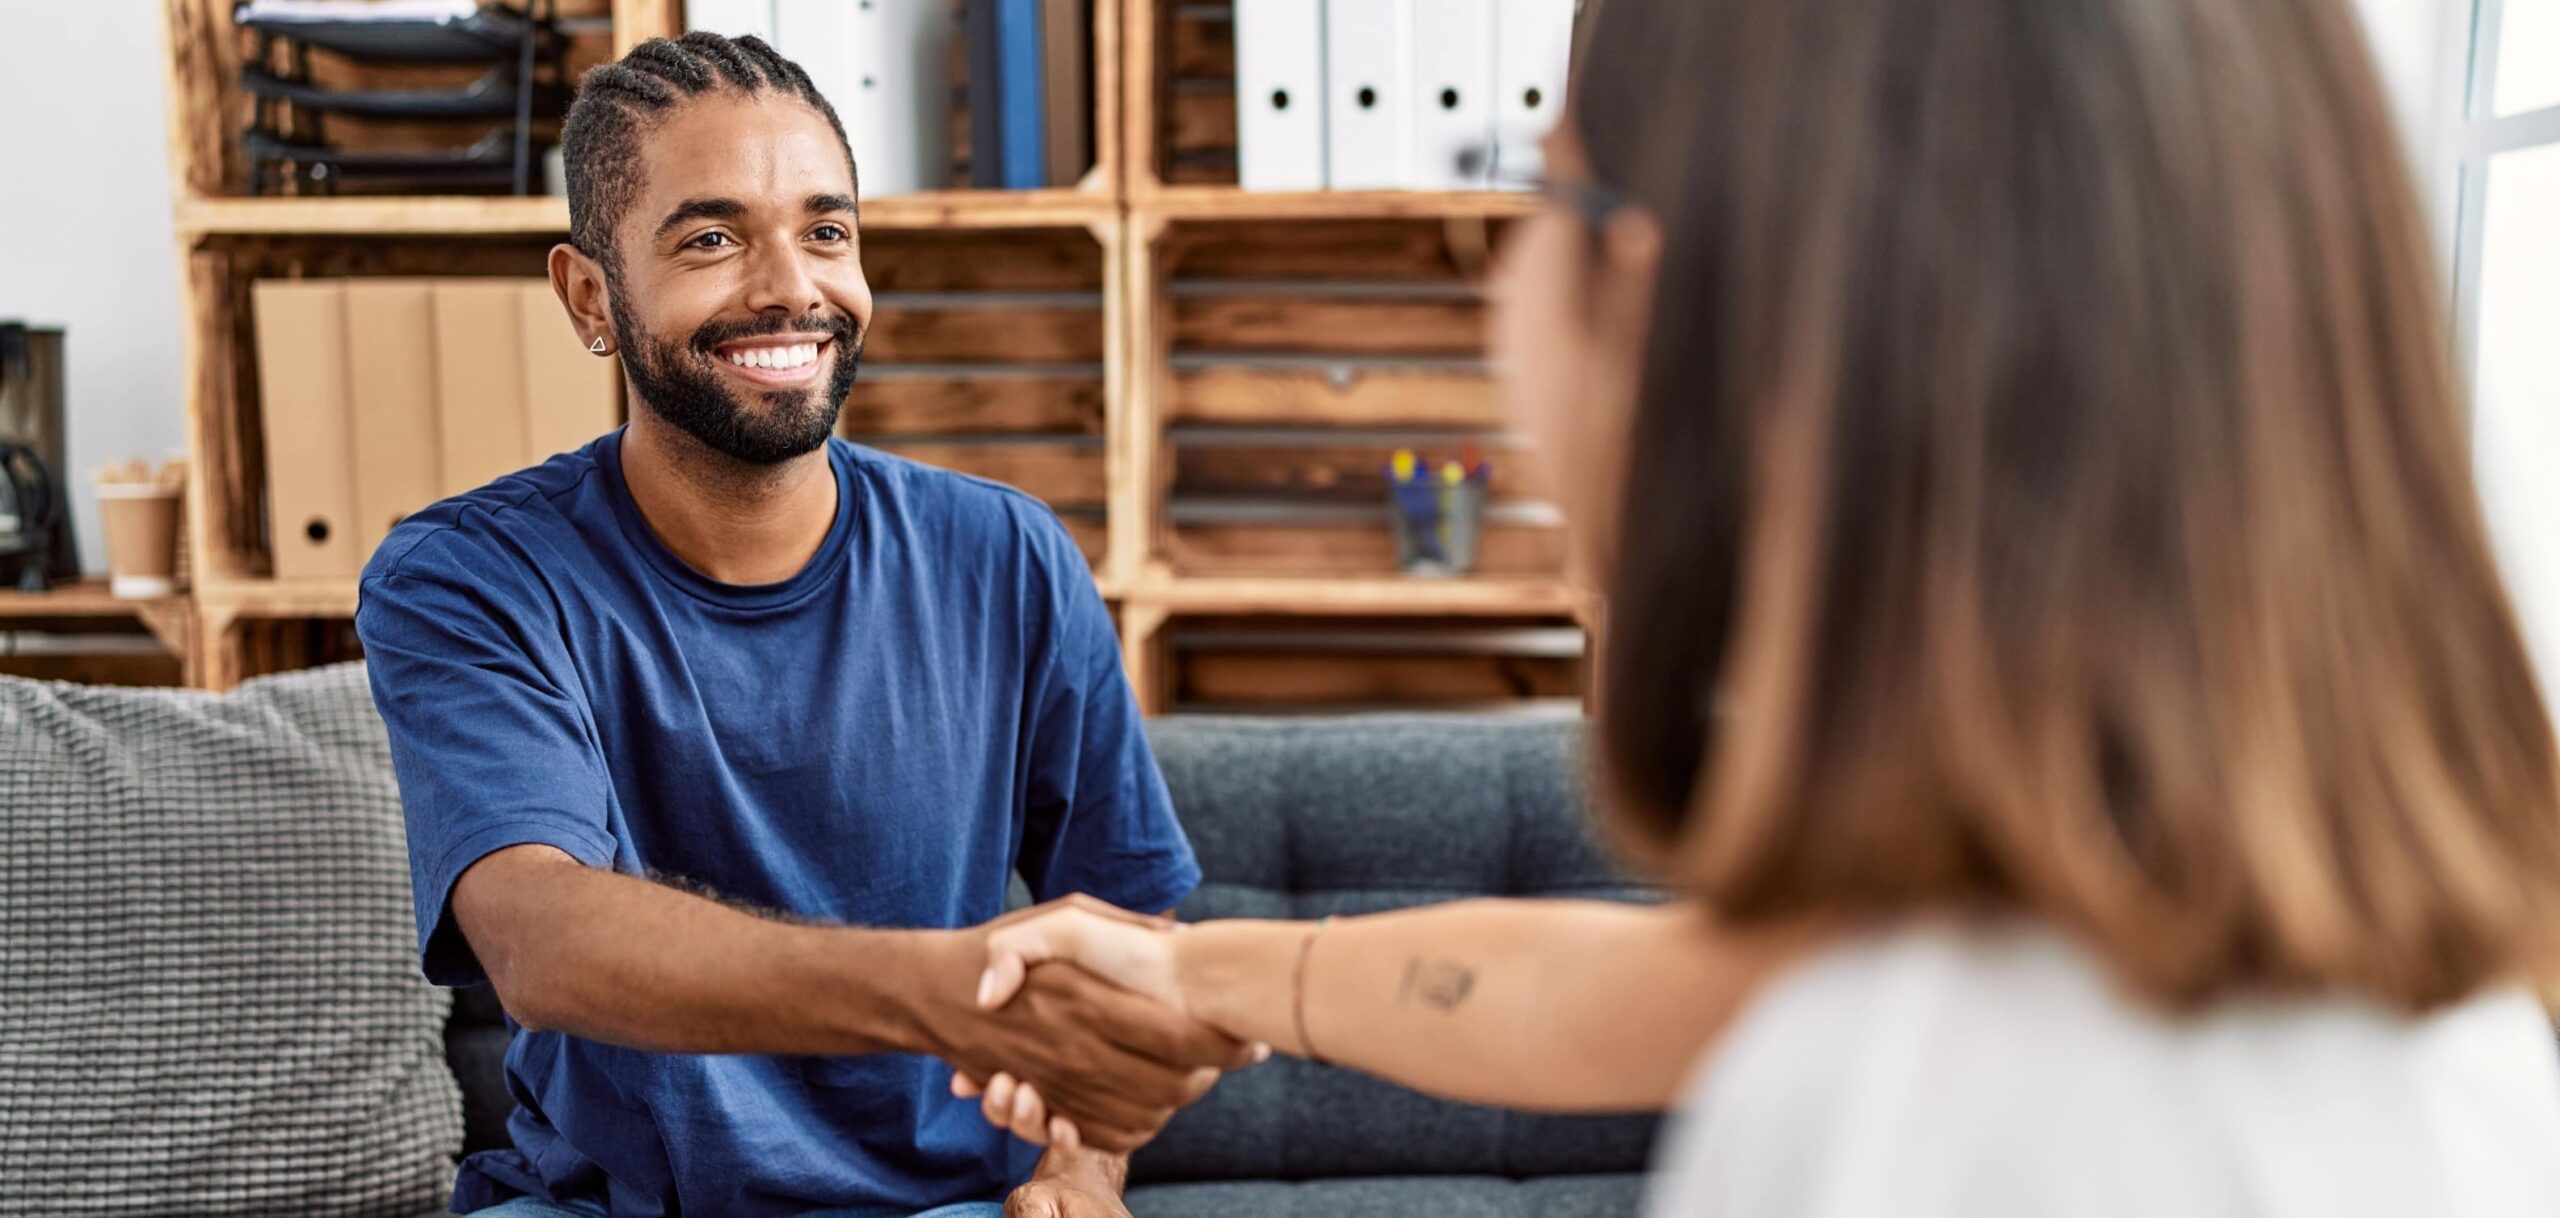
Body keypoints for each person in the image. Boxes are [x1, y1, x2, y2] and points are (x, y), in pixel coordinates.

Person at [958, 0, 2560, 1213]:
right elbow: (1660, 989)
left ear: (1670, 297)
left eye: (1538, 192)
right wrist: (1208, 977)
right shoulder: (2294, 946)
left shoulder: (1919, 1108)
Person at [354, 33, 1253, 1218]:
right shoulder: (468, 576)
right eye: (714, 239)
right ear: (590, 297)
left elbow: (1129, 911)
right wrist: (941, 985)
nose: (793, 286)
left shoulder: (1011, 557)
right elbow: (542, 938)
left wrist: (1082, 1166)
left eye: (826, 231)